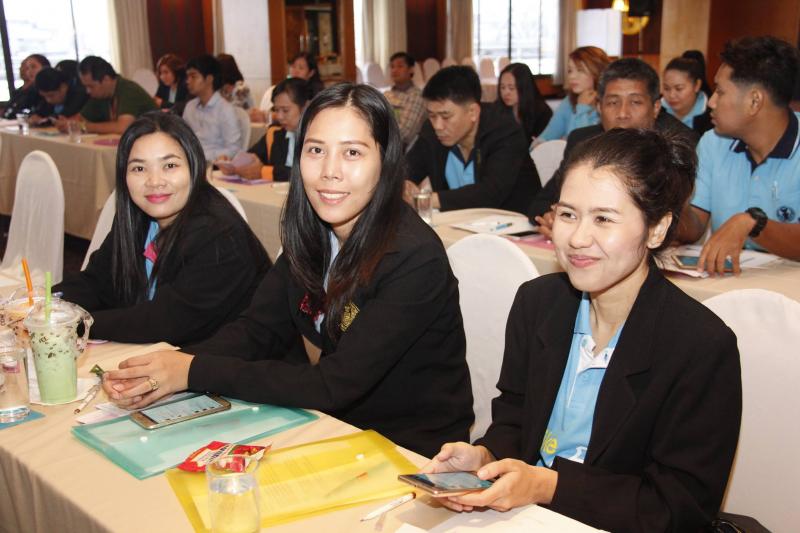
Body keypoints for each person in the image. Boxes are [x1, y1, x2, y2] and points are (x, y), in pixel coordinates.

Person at [101, 83, 474, 459]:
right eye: (316, 150)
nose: (329, 172)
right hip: (334, 427)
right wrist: (168, 368)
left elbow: (332, 384)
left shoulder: (413, 258)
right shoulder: (314, 232)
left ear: (386, 161)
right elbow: (257, 330)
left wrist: (192, 371)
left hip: (410, 452)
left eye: (352, 153)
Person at [423, 128, 741, 532]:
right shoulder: (538, 304)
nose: (577, 238)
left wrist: (549, 486)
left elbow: (679, 507)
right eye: (568, 214)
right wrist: (486, 458)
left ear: (657, 229)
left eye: (603, 219)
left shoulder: (700, 345)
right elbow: (516, 419)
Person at [54, 112, 270, 344]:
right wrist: (45, 304)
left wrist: (74, 324)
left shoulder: (221, 235)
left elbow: (165, 322)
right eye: (139, 169)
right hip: (163, 353)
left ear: (194, 166)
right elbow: (96, 282)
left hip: (226, 359)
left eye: (170, 165)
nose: (154, 181)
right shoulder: (138, 216)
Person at [530, 58, 699, 235]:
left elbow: (687, 228)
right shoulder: (583, 141)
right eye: (612, 103)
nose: (623, 114)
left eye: (635, 102)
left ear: (656, 107)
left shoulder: (677, 145)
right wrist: (552, 217)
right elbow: (541, 203)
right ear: (599, 107)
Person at [677, 36, 800, 273]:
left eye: (720, 92)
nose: (711, 102)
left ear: (754, 101)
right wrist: (673, 201)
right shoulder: (713, 143)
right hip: (729, 284)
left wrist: (752, 223)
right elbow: (694, 227)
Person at [405, 65, 540, 214]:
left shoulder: (506, 132)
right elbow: (406, 169)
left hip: (514, 222)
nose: (438, 126)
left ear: (473, 112)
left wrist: (428, 200)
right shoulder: (431, 131)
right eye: (431, 115)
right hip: (458, 222)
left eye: (446, 116)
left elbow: (490, 193)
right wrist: (405, 185)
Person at [222, 78, 316, 181]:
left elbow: (308, 173)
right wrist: (232, 164)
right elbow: (253, 156)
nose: (279, 116)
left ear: (306, 107)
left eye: (285, 110)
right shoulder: (275, 133)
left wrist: (265, 172)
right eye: (276, 110)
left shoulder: (318, 138)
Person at [61, 56, 157, 134]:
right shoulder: (100, 94)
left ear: (106, 79)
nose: (87, 91)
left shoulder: (129, 90)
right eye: (86, 86)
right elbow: (79, 119)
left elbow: (123, 127)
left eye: (91, 86)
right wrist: (66, 123)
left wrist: (84, 126)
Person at [537, 47, 610, 141]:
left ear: (597, 71)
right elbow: (547, 136)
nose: (572, 76)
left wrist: (582, 108)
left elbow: (580, 144)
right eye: (570, 70)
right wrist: (538, 143)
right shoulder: (568, 102)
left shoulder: (610, 103)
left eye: (580, 70)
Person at [182, 54, 242, 161]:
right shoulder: (190, 107)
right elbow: (183, 139)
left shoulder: (225, 110)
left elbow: (234, 149)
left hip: (214, 165)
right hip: (192, 162)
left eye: (193, 76)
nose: (188, 81)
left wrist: (203, 156)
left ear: (209, 79)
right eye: (187, 77)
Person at [250, 52, 324, 122]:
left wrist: (268, 116)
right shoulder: (281, 89)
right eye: (293, 66)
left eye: (301, 68)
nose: (296, 71)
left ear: (311, 73)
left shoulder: (316, 94)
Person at [496, 62, 553, 141]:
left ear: (524, 87)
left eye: (511, 88)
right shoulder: (497, 109)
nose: (506, 93)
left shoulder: (542, 112)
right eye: (502, 87)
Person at [383, 52, 426, 147]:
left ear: (411, 69)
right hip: (384, 143)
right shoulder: (387, 94)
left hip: (401, 149)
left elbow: (405, 133)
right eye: (392, 67)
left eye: (400, 66)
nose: (394, 70)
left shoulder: (417, 96)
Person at [662, 57, 712, 134]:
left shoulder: (711, 117)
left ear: (697, 85)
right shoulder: (656, 110)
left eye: (679, 88)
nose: (671, 95)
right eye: (666, 88)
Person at [2, 54, 50, 119]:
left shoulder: (44, 91)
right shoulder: (19, 92)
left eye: (33, 67)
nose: (29, 71)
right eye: (27, 68)